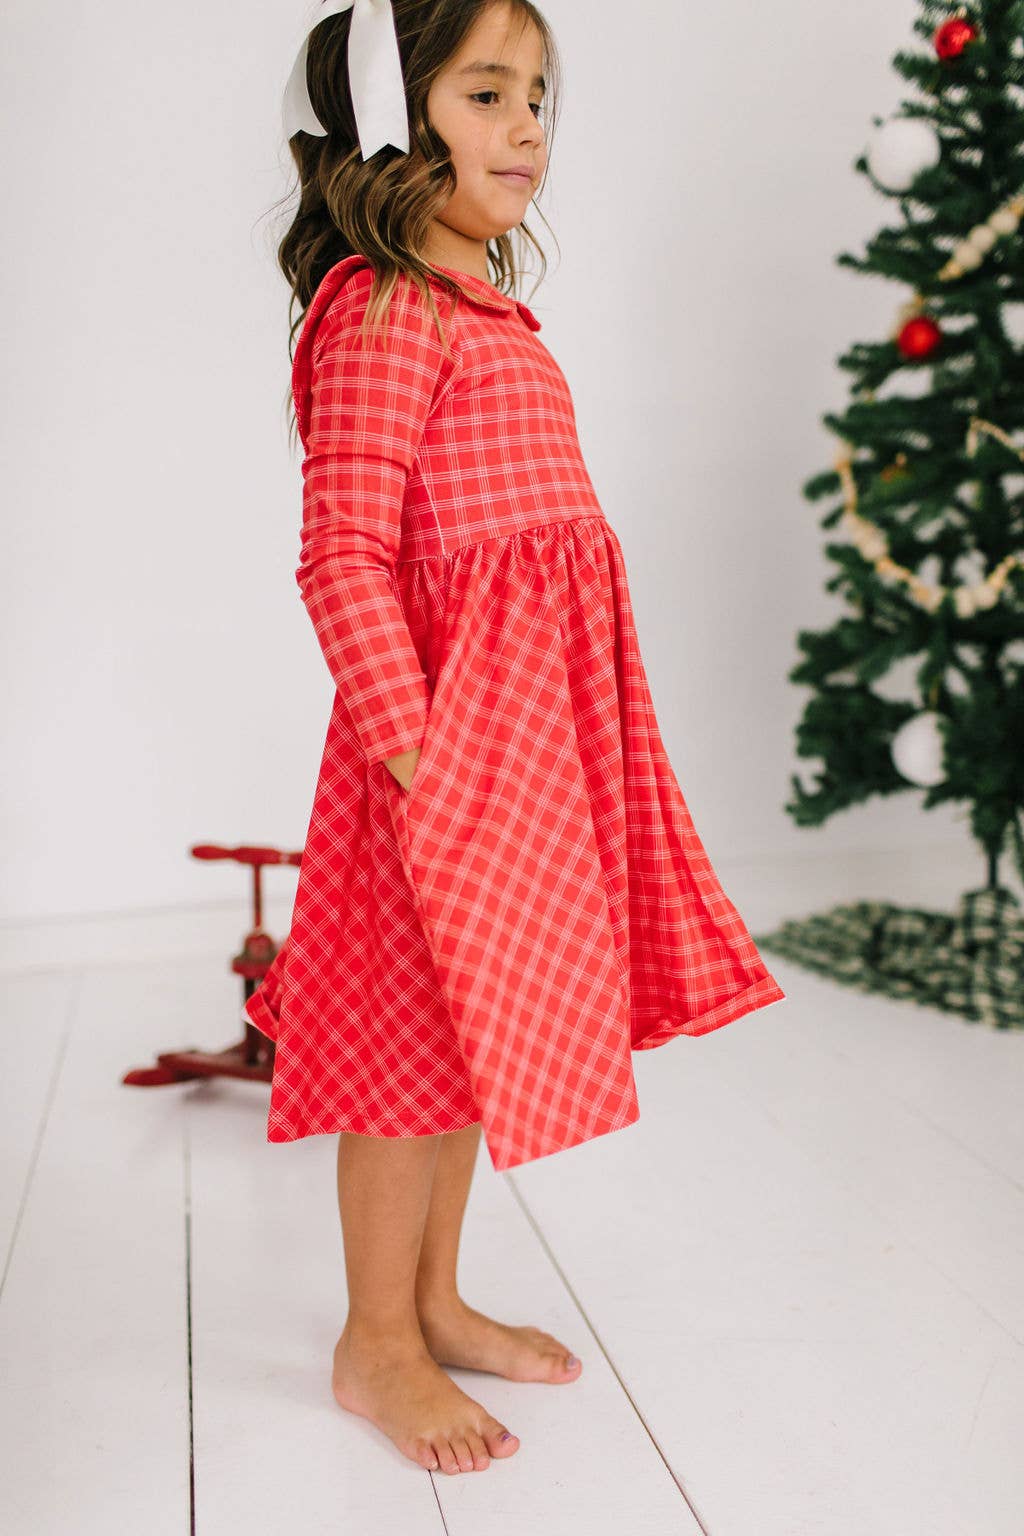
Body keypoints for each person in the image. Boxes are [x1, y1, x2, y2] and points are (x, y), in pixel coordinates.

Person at [245, 0, 785, 1477]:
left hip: (525, 751)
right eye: (488, 93)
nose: (531, 123)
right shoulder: (378, 310)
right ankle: (374, 1341)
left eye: (540, 92)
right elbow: (342, 554)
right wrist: (425, 761)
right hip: (443, 762)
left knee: (469, 1046)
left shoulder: (486, 315)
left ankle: (432, 1300)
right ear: (395, 122)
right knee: (406, 1053)